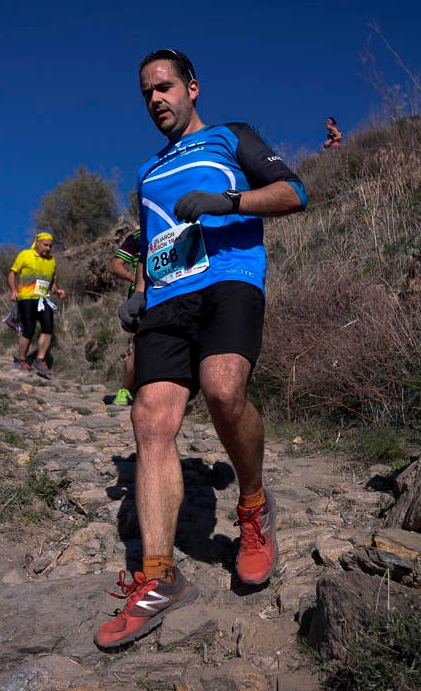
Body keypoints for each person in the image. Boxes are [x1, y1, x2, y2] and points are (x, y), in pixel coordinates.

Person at [94, 49, 307, 649]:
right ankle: (159, 579)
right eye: (146, 94)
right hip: (168, 302)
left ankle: (253, 507)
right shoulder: (146, 171)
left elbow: (294, 192)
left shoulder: (229, 137)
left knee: (221, 390)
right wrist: (137, 288)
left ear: (191, 86)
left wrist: (229, 202)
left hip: (229, 281)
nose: (155, 99)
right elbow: (145, 241)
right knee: (150, 419)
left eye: (164, 87)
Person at [7, 232, 66, 377]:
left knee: (48, 328)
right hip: (26, 297)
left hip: (43, 298)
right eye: (45, 245)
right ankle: (22, 359)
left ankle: (39, 359)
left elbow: (51, 280)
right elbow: (12, 273)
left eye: (50, 246)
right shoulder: (25, 255)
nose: (48, 248)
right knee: (29, 329)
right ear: (37, 243)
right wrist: (13, 290)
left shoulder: (51, 260)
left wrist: (57, 290)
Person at [105, 227, 142, 406]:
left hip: (168, 296)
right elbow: (115, 264)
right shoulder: (137, 236)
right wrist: (134, 278)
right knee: (139, 347)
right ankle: (126, 391)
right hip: (142, 299)